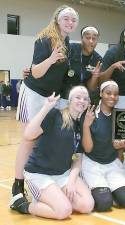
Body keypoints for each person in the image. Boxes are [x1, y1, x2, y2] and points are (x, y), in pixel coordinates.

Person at [11, 5, 79, 213]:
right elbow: (36, 73)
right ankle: (17, 186)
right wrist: (50, 59)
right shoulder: (44, 39)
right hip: (33, 93)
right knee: (28, 139)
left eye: (73, 20)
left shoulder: (66, 41)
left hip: (50, 97)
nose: (69, 22)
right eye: (66, 18)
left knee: (44, 138)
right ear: (57, 19)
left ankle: (43, 180)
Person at [22, 86, 94, 219]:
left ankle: (52, 197)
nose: (82, 101)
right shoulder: (55, 114)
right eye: (78, 97)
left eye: (85, 99)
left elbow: (78, 158)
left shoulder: (80, 125)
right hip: (39, 173)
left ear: (88, 104)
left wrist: (71, 181)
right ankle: (25, 205)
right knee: (64, 211)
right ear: (70, 101)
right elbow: (28, 135)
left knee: (87, 205)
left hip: (62, 174)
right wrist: (45, 108)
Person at [81, 81, 125, 211]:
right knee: (104, 204)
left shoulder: (122, 116)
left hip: (112, 164)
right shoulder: (90, 114)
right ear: (101, 93)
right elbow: (87, 149)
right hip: (93, 164)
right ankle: (91, 186)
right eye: (108, 93)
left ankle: (108, 190)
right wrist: (86, 126)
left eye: (115, 94)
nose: (112, 97)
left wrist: (124, 144)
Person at [99, 25, 125, 108]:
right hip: (113, 98)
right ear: (124, 38)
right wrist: (113, 67)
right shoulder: (112, 52)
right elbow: (101, 80)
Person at [61, 26, 102, 106]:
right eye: (87, 37)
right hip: (63, 97)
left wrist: (94, 76)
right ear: (82, 38)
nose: (91, 41)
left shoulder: (97, 59)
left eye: (94, 38)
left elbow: (91, 88)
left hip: (82, 100)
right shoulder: (69, 49)